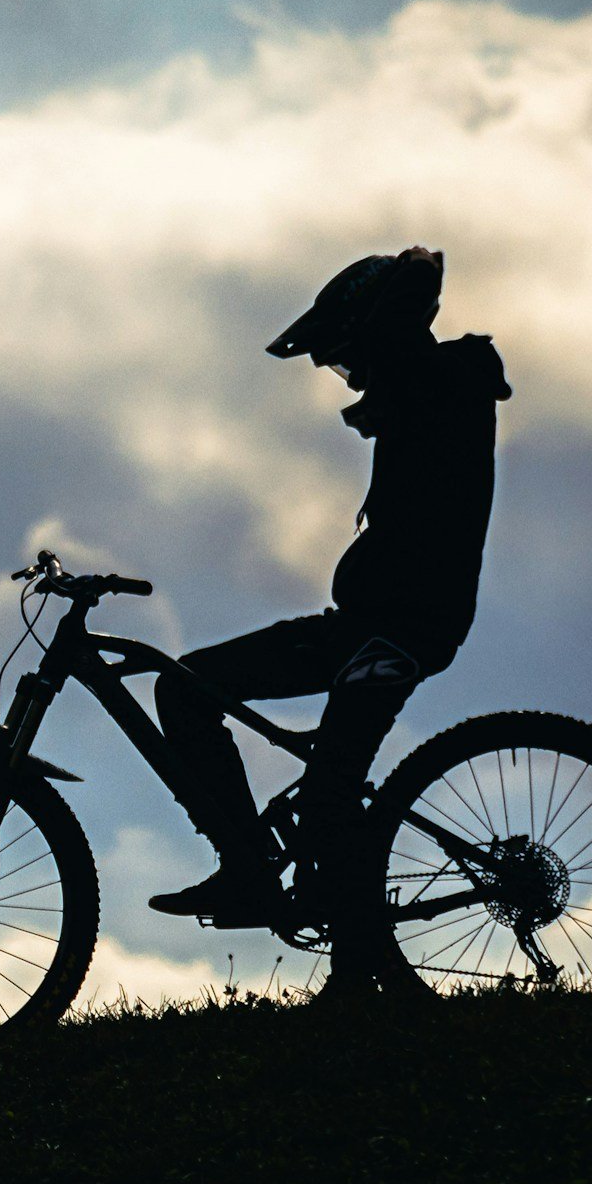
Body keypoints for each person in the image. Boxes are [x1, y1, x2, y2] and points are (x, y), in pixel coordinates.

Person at [148, 246, 510, 925]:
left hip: (403, 629)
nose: (345, 377)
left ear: (378, 335)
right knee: (185, 687)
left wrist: (385, 308)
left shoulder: (441, 381)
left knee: (330, 799)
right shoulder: (423, 385)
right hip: (363, 624)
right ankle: (247, 869)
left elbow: (398, 343)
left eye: (345, 356)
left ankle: (354, 971)